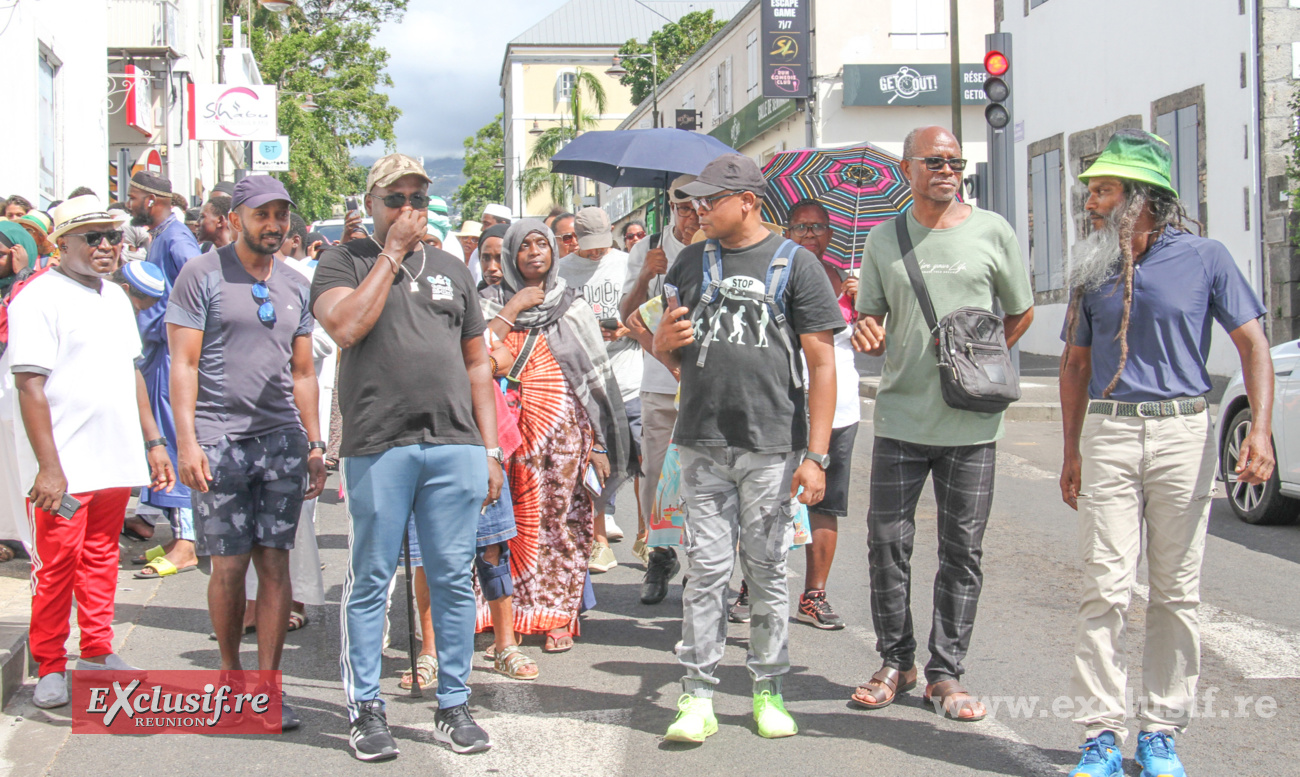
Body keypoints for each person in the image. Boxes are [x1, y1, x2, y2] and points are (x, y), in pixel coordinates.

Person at [1057, 130, 1273, 777]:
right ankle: (1099, 733)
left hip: (1183, 431)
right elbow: (1074, 363)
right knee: (1105, 587)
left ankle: (1159, 732)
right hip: (1111, 432)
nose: (1091, 203)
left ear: (1141, 199)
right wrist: (1071, 450)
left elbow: (1254, 345)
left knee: (1177, 591)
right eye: (1091, 190)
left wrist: (1258, 431)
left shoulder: (1205, 257)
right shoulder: (1091, 265)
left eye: (1103, 190)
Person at [311, 154, 502, 760]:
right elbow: (344, 327)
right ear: (371, 203)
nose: (408, 209)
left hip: (455, 443)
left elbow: (477, 361)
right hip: (380, 443)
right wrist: (391, 252)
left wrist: (490, 447)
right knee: (370, 578)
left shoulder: (452, 268)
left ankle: (454, 702)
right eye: (396, 198)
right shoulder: (342, 260)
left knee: (450, 576)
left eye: (418, 198)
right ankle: (366, 710)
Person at [652, 153, 844, 743]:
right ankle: (698, 696)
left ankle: (767, 689)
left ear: (749, 202)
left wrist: (815, 457)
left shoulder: (798, 265)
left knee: (766, 573)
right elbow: (672, 352)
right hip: (702, 443)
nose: (699, 210)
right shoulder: (689, 261)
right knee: (706, 572)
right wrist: (660, 345)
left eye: (711, 201)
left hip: (772, 447)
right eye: (695, 201)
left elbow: (821, 363)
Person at [848, 126, 1034, 721]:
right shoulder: (884, 239)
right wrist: (865, 329)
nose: (947, 170)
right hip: (901, 418)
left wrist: (976, 366)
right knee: (886, 544)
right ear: (908, 167)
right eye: (934, 160)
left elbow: (1021, 310)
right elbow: (871, 319)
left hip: (972, 427)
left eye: (955, 161)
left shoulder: (993, 231)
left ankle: (946, 672)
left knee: (962, 551)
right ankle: (896, 661)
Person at [167, 176, 325, 731]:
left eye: (281, 214)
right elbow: (181, 364)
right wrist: (187, 441)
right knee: (230, 567)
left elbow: (303, 372)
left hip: (281, 439)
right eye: (262, 214)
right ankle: (230, 675)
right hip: (219, 440)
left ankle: (269, 687)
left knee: (275, 565)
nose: (274, 224)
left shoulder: (294, 283)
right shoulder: (200, 275)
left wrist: (316, 443)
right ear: (236, 218)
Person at [9, 196, 175, 708]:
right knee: (56, 563)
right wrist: (50, 467)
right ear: (62, 245)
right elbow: (29, 386)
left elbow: (131, 373)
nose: (107, 247)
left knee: (102, 557)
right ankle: (51, 664)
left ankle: (98, 650)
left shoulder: (115, 298)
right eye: (93, 238)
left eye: (113, 237)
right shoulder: (37, 298)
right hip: (67, 465)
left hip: (114, 456)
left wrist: (153, 442)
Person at [480, 220, 626, 654]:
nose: (534, 252)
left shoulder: (572, 305)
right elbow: (474, 355)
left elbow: (596, 378)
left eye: (542, 243)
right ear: (509, 255)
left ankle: (559, 617)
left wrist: (600, 443)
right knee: (508, 529)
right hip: (505, 439)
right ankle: (509, 620)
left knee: (562, 523)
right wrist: (516, 306)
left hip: (564, 438)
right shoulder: (488, 303)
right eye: (523, 246)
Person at [237, 210, 331, 635]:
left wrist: (315, 443)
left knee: (291, 522)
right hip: (236, 423)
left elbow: (321, 347)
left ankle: (288, 600)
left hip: (293, 417)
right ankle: (251, 605)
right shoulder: (216, 274)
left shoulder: (298, 281)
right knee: (241, 529)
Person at [780, 198, 859, 631]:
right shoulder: (773, 273)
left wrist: (866, 307)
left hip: (840, 407)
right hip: (784, 404)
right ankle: (753, 586)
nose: (809, 235)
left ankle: (814, 595)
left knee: (824, 502)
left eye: (818, 228)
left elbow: (876, 345)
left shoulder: (849, 282)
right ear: (787, 233)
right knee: (770, 498)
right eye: (800, 228)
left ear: (831, 234)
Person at [621, 178, 700, 603]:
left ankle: (701, 567)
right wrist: (647, 275)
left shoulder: (716, 245)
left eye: (698, 207)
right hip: (656, 383)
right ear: (670, 207)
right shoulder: (647, 248)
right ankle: (660, 553)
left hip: (705, 385)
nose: (690, 217)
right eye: (682, 208)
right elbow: (627, 316)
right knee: (655, 478)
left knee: (704, 479)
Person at [128, 171, 201, 579]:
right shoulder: (161, 235)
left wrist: (174, 327)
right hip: (160, 354)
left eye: (134, 197)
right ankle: (178, 536)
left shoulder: (175, 239)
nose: (129, 202)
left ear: (153, 200)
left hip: (174, 355)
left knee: (175, 442)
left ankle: (188, 543)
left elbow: (198, 287)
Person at [559, 207, 637, 571]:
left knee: (642, 465)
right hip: (586, 384)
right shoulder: (563, 270)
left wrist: (626, 329)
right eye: (588, 246)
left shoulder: (627, 263)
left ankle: (648, 539)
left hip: (630, 376)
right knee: (595, 463)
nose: (595, 252)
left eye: (601, 246)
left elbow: (646, 312)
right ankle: (599, 538)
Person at [477, 223, 508, 295]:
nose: (491, 268)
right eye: (486, 258)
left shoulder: (532, 299)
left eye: (500, 259)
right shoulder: (473, 300)